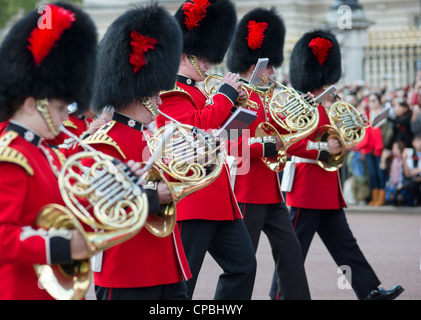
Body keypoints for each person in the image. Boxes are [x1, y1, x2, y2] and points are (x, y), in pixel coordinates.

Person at [0, 2, 97, 300]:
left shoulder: (45, 153)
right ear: (31, 104)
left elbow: (66, 207)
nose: (65, 116)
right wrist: (63, 246)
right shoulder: (9, 158)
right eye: (57, 108)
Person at [271, 29, 404, 300]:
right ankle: (278, 296)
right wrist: (323, 149)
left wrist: (351, 134)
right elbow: (289, 143)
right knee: (293, 252)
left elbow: (337, 140)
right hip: (305, 190)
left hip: (328, 191)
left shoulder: (329, 107)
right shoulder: (300, 106)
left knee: (346, 247)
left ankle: (369, 290)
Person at [81, 4, 192, 300]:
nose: (159, 98)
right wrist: (157, 196)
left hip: (166, 266)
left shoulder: (149, 137)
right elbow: (102, 208)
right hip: (128, 271)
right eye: (155, 92)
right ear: (140, 93)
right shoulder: (104, 142)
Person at [156, 0, 257, 300]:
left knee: (244, 266)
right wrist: (226, 95)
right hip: (193, 200)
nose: (210, 63)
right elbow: (198, 128)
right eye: (204, 57)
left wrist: (238, 110)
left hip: (219, 199)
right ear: (185, 56)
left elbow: (222, 135)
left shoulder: (199, 92)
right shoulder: (172, 92)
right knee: (183, 283)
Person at [225, 7, 310, 300]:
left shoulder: (271, 98)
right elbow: (232, 145)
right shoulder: (235, 98)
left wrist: (319, 144)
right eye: (269, 66)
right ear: (254, 65)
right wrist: (267, 146)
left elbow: (286, 140)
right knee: (243, 264)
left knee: (291, 251)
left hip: (271, 193)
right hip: (246, 191)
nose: (273, 72)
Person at [355, 93, 387, 206]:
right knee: (372, 174)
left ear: (378, 101)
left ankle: (382, 198)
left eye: (374, 100)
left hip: (380, 150)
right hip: (368, 149)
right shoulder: (366, 114)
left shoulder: (383, 115)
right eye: (370, 101)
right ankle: (375, 197)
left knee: (380, 173)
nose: (372, 103)